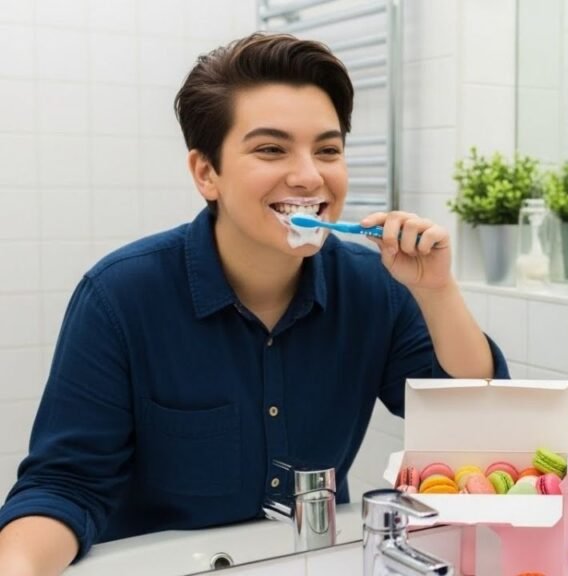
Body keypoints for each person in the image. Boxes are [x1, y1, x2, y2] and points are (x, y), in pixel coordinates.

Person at [0, 32, 508, 574]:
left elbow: (479, 428)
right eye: (271, 149)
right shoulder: (120, 297)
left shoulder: (375, 287)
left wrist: (436, 292)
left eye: (328, 150)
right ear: (206, 173)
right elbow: (63, 485)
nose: (310, 176)